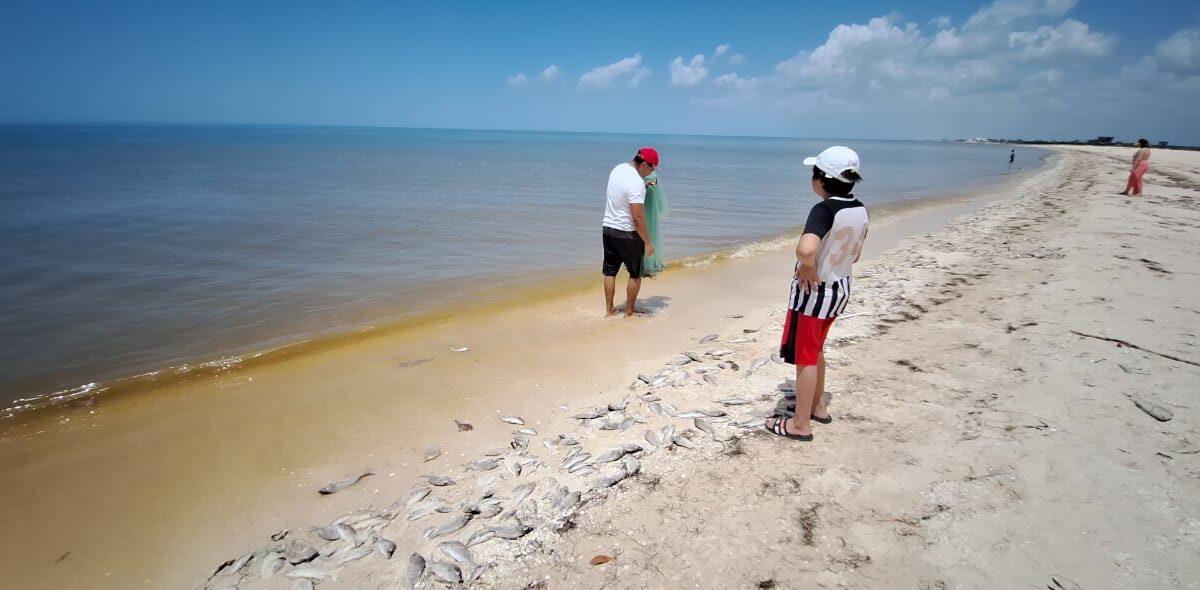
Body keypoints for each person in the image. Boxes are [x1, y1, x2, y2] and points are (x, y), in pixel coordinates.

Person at [765, 146, 869, 442]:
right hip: (840, 289)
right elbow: (857, 252)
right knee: (817, 348)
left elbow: (805, 248)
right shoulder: (860, 209)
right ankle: (818, 406)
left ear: (821, 179)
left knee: (805, 356)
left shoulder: (823, 210)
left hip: (814, 295)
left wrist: (809, 265)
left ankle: (800, 424)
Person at [601, 147, 658, 317]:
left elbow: (622, 193)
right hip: (627, 233)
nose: (651, 172)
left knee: (610, 272)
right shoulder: (636, 183)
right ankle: (629, 312)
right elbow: (637, 218)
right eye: (652, 167)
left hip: (608, 229)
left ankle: (610, 310)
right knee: (635, 274)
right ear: (644, 164)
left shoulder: (618, 169)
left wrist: (644, 185)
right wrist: (647, 242)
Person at [641, 170, 667, 278]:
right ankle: (648, 264)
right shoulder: (653, 174)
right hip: (649, 206)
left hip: (646, 205)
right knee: (650, 233)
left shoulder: (643, 174)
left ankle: (644, 265)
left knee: (645, 233)